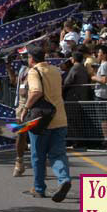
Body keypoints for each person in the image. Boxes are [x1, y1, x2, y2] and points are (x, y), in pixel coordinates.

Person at [19, 45, 71, 202]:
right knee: (58, 153)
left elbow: (36, 91)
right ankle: (63, 179)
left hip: (41, 121)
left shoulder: (34, 71)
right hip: (60, 117)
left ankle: (39, 188)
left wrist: (25, 108)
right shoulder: (55, 70)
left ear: (32, 59)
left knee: (38, 156)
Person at [6, 52, 29, 177]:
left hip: (34, 107)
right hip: (21, 107)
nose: (23, 58)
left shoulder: (38, 70)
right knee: (20, 135)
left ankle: (41, 162)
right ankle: (19, 162)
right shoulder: (23, 70)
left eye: (26, 55)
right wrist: (9, 67)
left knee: (38, 136)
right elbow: (15, 82)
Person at [91, 45, 107, 149]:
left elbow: (104, 80)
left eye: (99, 52)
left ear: (104, 54)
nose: (98, 54)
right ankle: (106, 138)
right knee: (102, 118)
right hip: (101, 94)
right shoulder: (103, 65)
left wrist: (94, 77)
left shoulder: (104, 65)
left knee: (103, 118)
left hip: (102, 95)